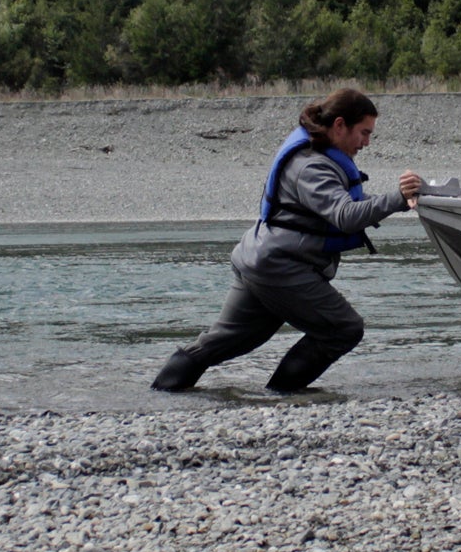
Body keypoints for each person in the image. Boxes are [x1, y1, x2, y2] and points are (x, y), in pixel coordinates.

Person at [152, 87, 424, 394]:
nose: (367, 142)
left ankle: (161, 395)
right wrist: (397, 198)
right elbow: (346, 215)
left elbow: (344, 208)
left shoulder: (317, 157)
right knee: (344, 328)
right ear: (339, 126)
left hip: (261, 259)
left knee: (225, 341)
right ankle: (283, 393)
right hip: (281, 267)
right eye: (364, 132)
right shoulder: (311, 166)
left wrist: (405, 201)